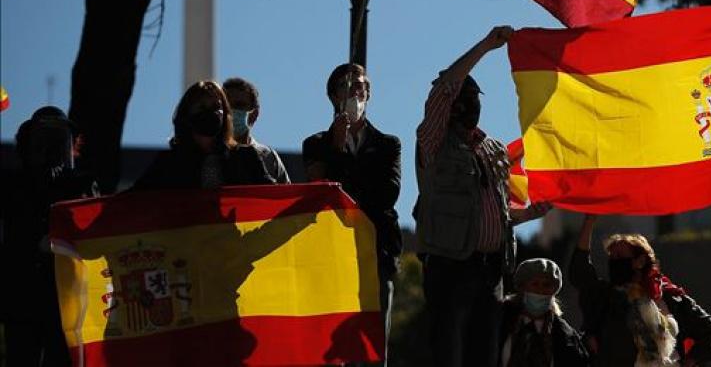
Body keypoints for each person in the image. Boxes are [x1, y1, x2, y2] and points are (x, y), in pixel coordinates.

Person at [414, 27, 551, 367]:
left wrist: (531, 214)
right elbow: (442, 89)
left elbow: (499, 212)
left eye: (475, 99)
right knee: (448, 351)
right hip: (450, 264)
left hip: (491, 269)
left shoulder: (492, 148)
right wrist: (488, 46)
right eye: (464, 99)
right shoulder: (434, 142)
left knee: (484, 355)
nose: (470, 105)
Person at [302, 63, 401, 366]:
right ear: (334, 96)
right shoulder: (316, 144)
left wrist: (350, 184)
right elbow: (323, 194)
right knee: (335, 347)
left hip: (376, 252)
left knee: (374, 348)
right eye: (347, 86)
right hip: (335, 255)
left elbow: (388, 193)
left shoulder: (387, 144)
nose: (356, 91)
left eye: (361, 86)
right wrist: (336, 147)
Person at [0, 106, 99, 366]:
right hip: (21, 297)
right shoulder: (13, 186)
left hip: (67, 300)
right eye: (43, 143)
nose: (52, 151)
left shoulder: (82, 185)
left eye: (59, 142)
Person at [572, 214, 711, 366]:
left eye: (619, 256)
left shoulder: (670, 297)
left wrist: (690, 360)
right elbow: (580, 272)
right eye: (612, 257)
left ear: (640, 261)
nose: (614, 261)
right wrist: (589, 221)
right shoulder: (605, 296)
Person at [135, 80, 273, 189]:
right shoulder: (168, 163)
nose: (211, 113)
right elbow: (132, 200)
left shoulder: (246, 157)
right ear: (187, 116)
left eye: (216, 107)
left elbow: (273, 195)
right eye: (202, 107)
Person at [500, 257, 590, 366]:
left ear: (554, 291)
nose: (540, 290)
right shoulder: (501, 322)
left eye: (546, 285)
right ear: (522, 287)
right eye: (535, 284)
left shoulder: (565, 336)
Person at [222, 77, 290, 184]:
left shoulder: (268, 157)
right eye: (227, 105)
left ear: (254, 115)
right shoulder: (211, 154)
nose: (231, 111)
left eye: (239, 105)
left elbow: (286, 196)